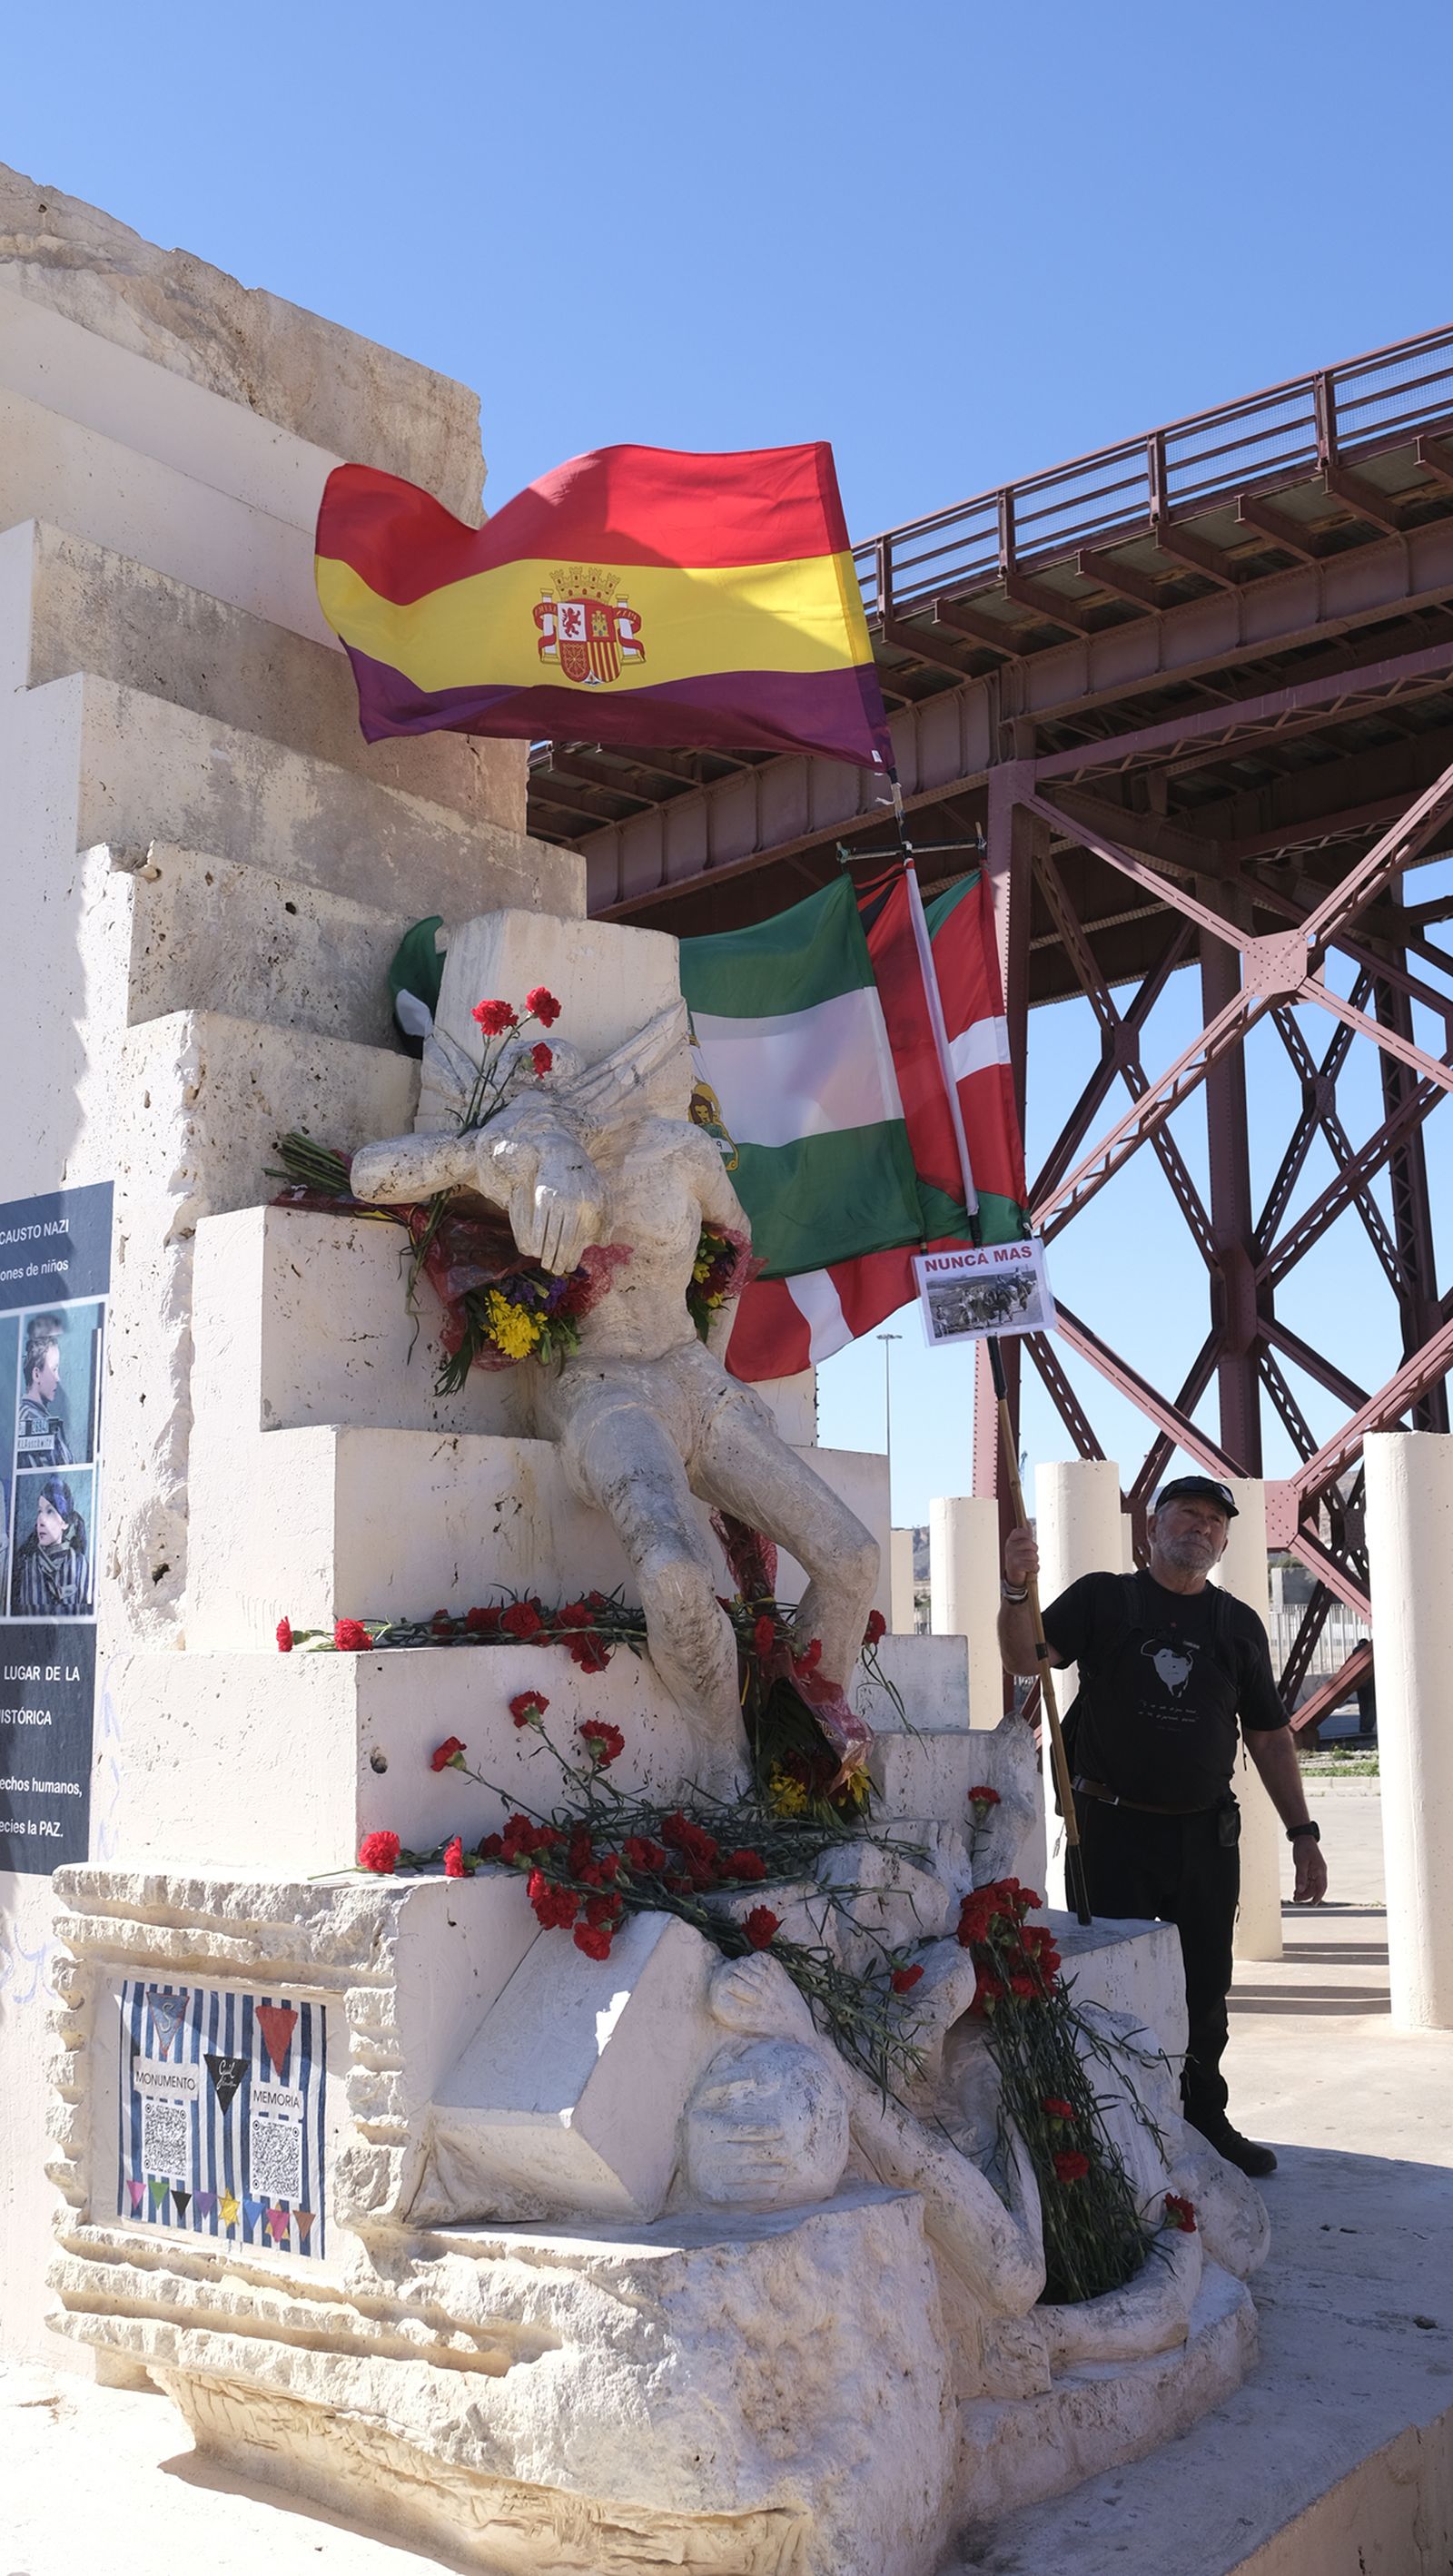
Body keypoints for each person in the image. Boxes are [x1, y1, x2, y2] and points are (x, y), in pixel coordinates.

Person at [998, 1475, 1328, 2179]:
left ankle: (1203, 2119)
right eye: (1187, 1514)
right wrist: (1016, 1588)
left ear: (1226, 1541)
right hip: (1109, 1831)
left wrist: (1303, 1832)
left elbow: (1269, 1736)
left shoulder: (1237, 1624)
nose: (1201, 1527)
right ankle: (1103, 2127)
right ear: (1152, 1527)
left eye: (1215, 1520)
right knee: (1109, 1983)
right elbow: (1024, 1658)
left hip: (1204, 1837)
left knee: (1205, 1991)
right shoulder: (1104, 1598)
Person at [12, 1476, 92, 1618]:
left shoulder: (80, 1565)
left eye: (50, 1511)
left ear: (64, 1523)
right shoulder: (27, 1566)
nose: (41, 1520)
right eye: (39, 1511)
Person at [18, 1314, 71, 1469]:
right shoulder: (28, 1418)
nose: (58, 1378)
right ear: (36, 1375)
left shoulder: (42, 1417)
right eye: (54, 1369)